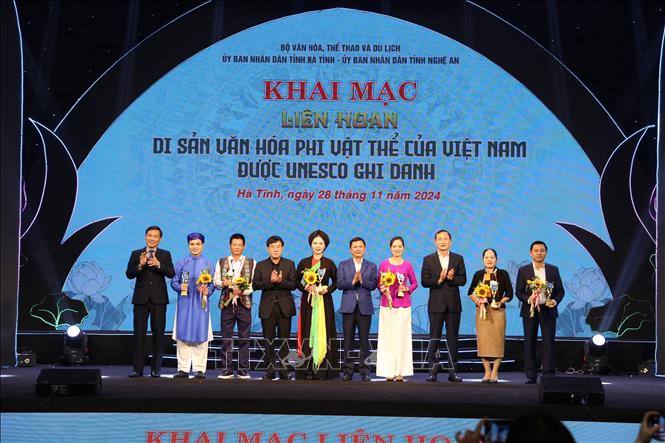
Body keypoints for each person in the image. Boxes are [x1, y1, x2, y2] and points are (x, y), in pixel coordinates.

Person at [125, 225, 175, 378]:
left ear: (160, 239)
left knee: (158, 334)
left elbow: (171, 273)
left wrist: (159, 265)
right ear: (145, 236)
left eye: (155, 236)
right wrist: (140, 265)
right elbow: (129, 274)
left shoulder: (165, 254)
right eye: (149, 235)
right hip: (140, 299)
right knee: (139, 334)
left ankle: (156, 369)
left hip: (159, 299)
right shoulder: (136, 253)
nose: (152, 238)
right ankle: (137, 369)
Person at [515, 240, 565, 384]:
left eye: (542, 250)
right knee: (529, 342)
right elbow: (518, 291)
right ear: (531, 253)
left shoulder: (553, 270)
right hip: (530, 310)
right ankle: (531, 374)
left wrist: (554, 301)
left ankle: (549, 373)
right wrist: (528, 299)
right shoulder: (523, 270)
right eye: (536, 251)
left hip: (548, 310)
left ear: (546, 253)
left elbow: (560, 291)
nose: (539, 253)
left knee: (548, 342)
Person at [421, 229, 467, 382]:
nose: (442, 241)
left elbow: (463, 280)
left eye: (445, 238)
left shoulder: (458, 258)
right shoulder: (428, 259)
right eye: (439, 239)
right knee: (434, 338)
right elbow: (424, 281)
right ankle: (432, 372)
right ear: (435, 241)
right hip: (436, 305)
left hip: (453, 305)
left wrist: (451, 278)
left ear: (450, 241)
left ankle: (453, 372)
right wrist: (439, 280)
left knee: (453, 339)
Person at [170, 232, 216, 379]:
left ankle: (199, 369)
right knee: (182, 335)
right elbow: (174, 281)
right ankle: (183, 368)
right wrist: (180, 287)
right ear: (188, 245)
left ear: (202, 245)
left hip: (201, 303)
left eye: (198, 244)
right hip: (184, 303)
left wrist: (208, 291)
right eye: (192, 244)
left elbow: (212, 284)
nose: (195, 247)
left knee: (200, 334)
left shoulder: (208, 264)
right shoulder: (181, 262)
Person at [252, 235, 298, 380]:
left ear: (282, 248)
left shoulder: (290, 264)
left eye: (278, 246)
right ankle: (270, 371)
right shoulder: (261, 265)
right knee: (268, 341)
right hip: (268, 308)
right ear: (268, 249)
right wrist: (270, 281)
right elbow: (255, 284)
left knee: (285, 341)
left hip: (285, 308)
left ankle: (284, 371)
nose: (275, 249)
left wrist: (281, 281)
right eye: (272, 247)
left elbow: (294, 284)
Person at [295, 230, 339, 380]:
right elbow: (296, 281)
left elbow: (337, 281)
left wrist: (327, 289)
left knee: (324, 332)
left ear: (325, 245)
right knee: (307, 331)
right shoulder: (304, 263)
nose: (318, 246)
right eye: (315, 243)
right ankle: (306, 369)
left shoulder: (329, 263)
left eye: (321, 243)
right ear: (310, 244)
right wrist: (305, 287)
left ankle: (323, 369)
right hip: (308, 302)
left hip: (324, 302)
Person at [213, 233, 256, 379]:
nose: (237, 247)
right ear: (230, 246)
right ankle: (227, 369)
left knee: (244, 338)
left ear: (244, 246)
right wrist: (223, 283)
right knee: (226, 338)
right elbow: (216, 282)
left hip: (244, 304)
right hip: (227, 304)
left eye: (239, 245)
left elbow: (253, 284)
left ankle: (243, 369)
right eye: (234, 244)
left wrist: (242, 290)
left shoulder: (251, 262)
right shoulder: (221, 262)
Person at [467, 248, 513, 382]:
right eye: (486, 257)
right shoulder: (478, 274)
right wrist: (478, 302)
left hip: (498, 311)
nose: (489, 260)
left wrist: (500, 302)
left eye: (492, 257)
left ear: (496, 259)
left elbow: (509, 293)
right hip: (483, 312)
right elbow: (470, 292)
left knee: (498, 341)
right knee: (483, 341)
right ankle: (487, 371)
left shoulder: (503, 274)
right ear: (483, 260)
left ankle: (495, 372)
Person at [376, 236, 418, 382]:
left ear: (403, 248)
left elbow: (414, 283)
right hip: (387, 305)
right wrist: (383, 288)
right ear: (390, 248)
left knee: (402, 338)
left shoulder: (407, 265)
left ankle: (400, 371)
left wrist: (406, 288)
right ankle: (388, 371)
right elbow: (379, 283)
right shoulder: (384, 264)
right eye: (394, 246)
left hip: (403, 305)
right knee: (387, 338)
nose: (397, 249)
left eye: (400, 246)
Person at [337, 237, 378, 381]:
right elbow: (339, 284)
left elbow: (373, 285)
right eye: (355, 246)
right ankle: (347, 371)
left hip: (364, 307)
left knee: (364, 341)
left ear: (364, 248)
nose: (358, 249)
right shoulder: (343, 265)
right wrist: (352, 281)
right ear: (350, 249)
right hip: (348, 307)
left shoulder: (371, 266)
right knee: (348, 341)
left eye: (360, 246)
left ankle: (365, 371)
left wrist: (362, 281)